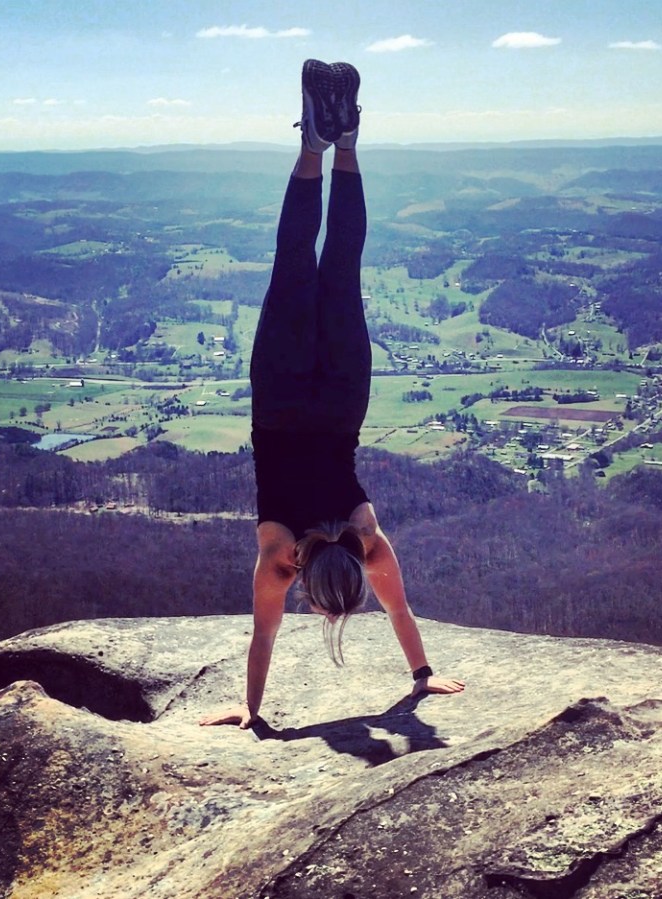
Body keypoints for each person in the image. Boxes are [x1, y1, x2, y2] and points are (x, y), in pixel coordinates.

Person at [200, 60, 464, 729]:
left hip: (343, 398)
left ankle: (342, 138)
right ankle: (316, 144)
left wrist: (423, 677)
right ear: (306, 581)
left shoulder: (367, 541)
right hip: (281, 399)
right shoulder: (276, 561)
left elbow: (398, 609)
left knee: (341, 266)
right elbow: (263, 636)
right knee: (295, 261)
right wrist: (250, 710)